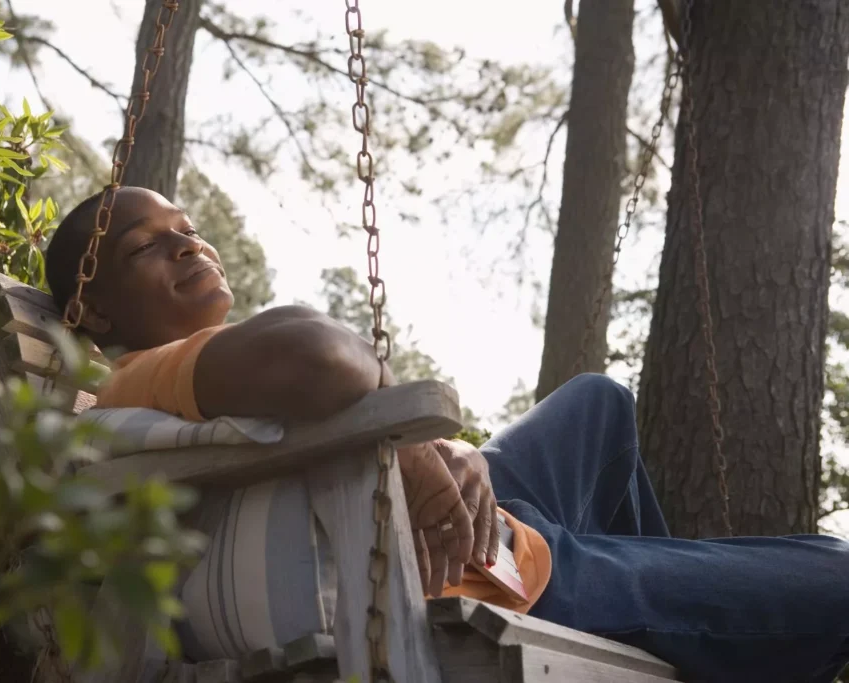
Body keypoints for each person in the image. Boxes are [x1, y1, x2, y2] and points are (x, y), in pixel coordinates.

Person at [45, 187, 849, 683]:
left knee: (597, 403)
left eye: (187, 227)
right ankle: (633, 602)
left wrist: (446, 449)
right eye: (146, 247)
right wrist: (408, 442)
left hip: (480, 512)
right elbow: (321, 356)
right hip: (485, 566)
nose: (188, 242)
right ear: (95, 311)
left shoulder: (192, 377)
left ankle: (662, 609)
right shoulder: (144, 375)